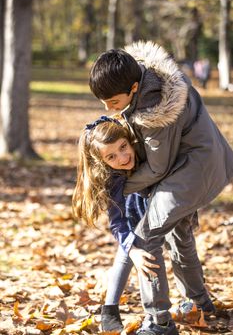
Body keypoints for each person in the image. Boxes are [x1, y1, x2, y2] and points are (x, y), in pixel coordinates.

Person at [87, 41, 233, 335]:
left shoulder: (154, 112)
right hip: (206, 160)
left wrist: (120, 185)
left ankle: (159, 321)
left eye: (113, 101)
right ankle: (200, 303)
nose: (108, 109)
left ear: (133, 88)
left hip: (191, 172)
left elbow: (157, 167)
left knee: (145, 240)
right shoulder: (152, 79)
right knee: (180, 238)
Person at [72, 116, 164, 333]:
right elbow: (117, 222)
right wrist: (132, 249)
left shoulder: (148, 156)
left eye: (123, 147)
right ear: (102, 162)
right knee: (127, 257)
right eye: (111, 156)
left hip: (162, 218)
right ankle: (110, 310)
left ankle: (199, 299)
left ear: (129, 139)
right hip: (134, 226)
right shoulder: (113, 180)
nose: (122, 158)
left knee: (183, 250)